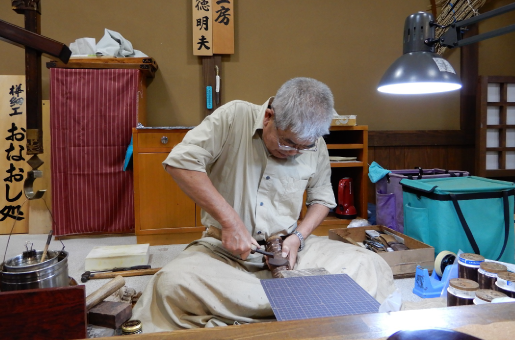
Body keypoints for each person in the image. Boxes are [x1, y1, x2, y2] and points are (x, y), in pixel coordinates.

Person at [131, 77, 395, 332]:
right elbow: (181, 162)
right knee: (170, 284)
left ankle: (255, 316)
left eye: (303, 147)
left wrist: (298, 238)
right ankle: (299, 312)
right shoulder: (234, 116)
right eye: (287, 141)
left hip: (291, 252)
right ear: (269, 117)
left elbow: (322, 199)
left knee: (370, 265)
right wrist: (230, 222)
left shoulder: (314, 144)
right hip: (224, 253)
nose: (293, 152)